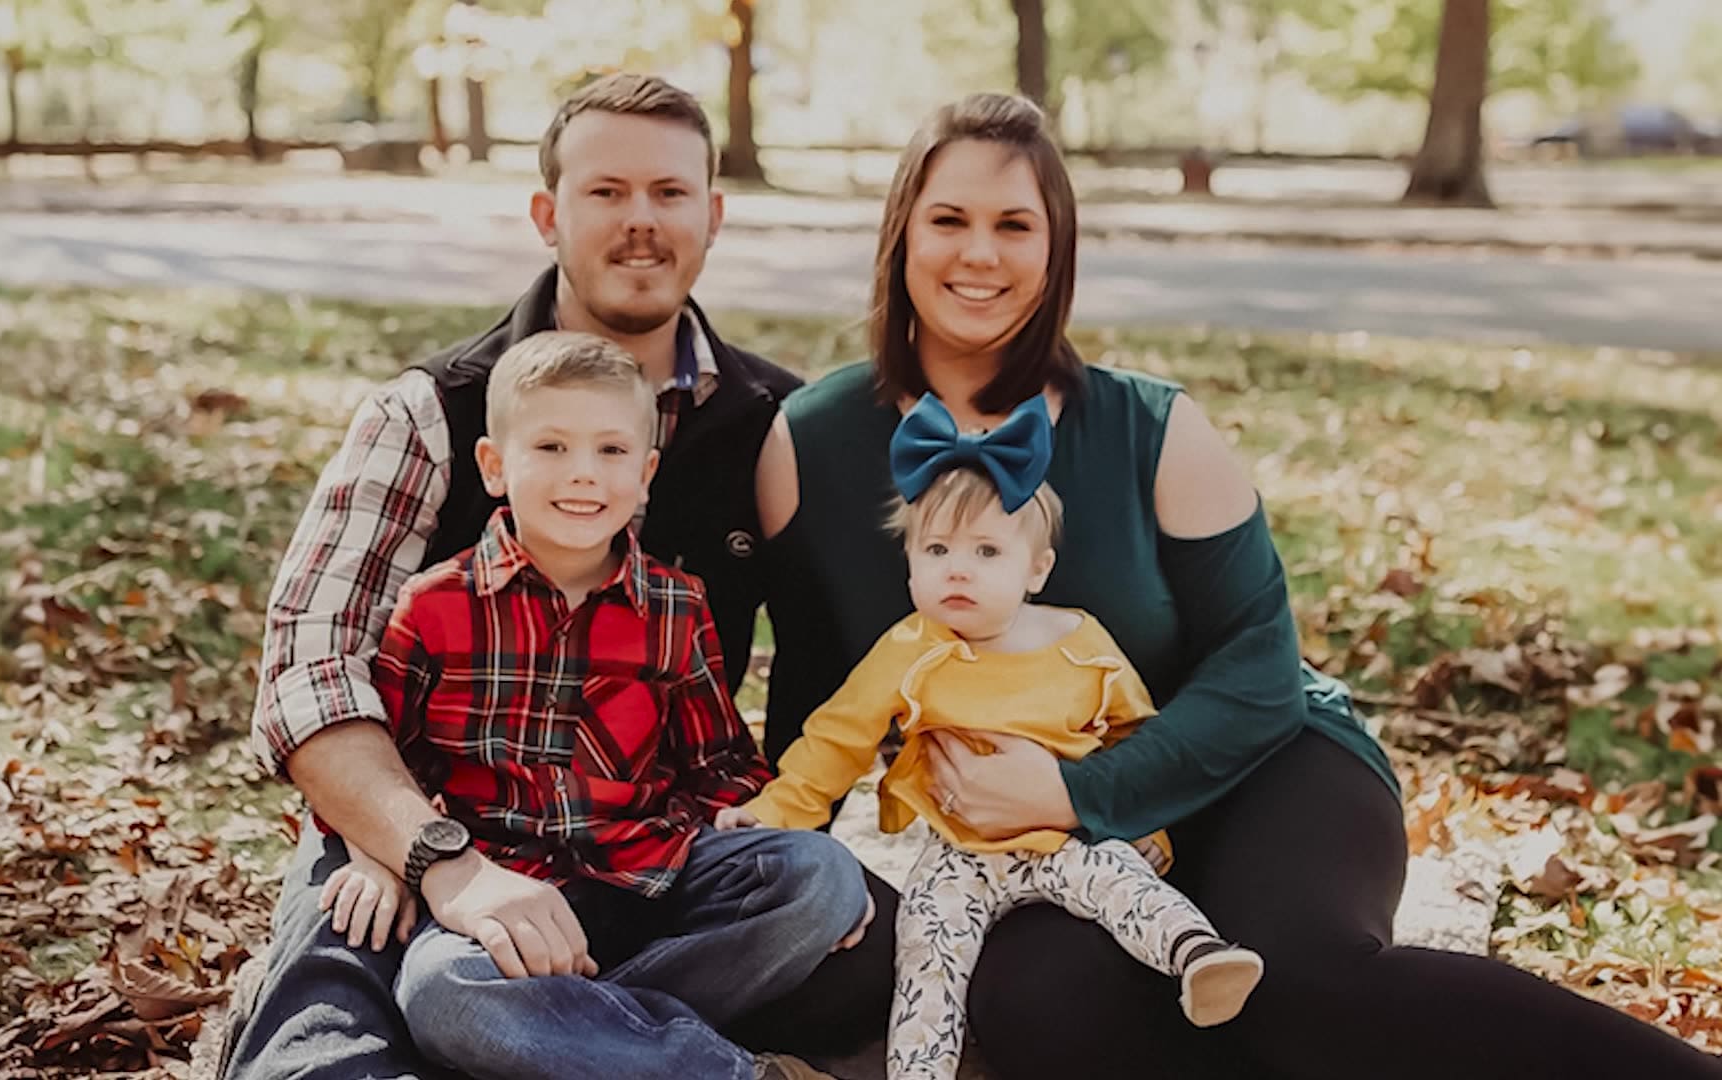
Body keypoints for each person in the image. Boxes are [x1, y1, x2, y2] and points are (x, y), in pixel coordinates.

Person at [753, 91, 1722, 1079]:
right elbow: (814, 693)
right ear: (901, 235)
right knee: (1037, 1010)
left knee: (1300, 983)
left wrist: (1080, 787)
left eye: (1015, 225)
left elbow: (1259, 668)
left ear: (1057, 249)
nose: (980, 254)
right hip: (1037, 846)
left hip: (1260, 769)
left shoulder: (1154, 427)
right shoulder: (811, 442)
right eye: (949, 219)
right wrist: (795, 867)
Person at [226, 74, 898, 1080]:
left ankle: (542, 1034)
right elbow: (308, 670)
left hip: (650, 850)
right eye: (606, 192)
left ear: (713, 215)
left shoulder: (769, 422)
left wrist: (775, 822)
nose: (641, 221)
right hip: (433, 829)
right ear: (548, 214)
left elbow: (835, 660)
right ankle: (534, 1030)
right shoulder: (431, 411)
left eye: (669, 193)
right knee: (331, 1036)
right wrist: (435, 861)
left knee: (857, 931)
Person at [314, 331, 868, 1079]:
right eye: (551, 447)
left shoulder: (676, 606)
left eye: (611, 451)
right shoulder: (435, 605)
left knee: (823, 876)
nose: (583, 473)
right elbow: (389, 768)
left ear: (645, 474)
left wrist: (764, 823)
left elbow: (719, 761)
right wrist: (377, 857)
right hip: (504, 896)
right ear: (494, 466)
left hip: (653, 875)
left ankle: (570, 1038)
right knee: (444, 991)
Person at [723, 395, 1263, 1080]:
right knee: (927, 949)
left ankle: (1199, 958)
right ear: (909, 564)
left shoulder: (1080, 642)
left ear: (1035, 569)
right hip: (961, 853)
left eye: (986, 551)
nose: (958, 569)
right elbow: (837, 739)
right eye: (936, 550)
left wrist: (1142, 826)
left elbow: (1136, 736)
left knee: (1120, 879)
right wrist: (775, 812)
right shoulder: (909, 649)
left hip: (1065, 837)